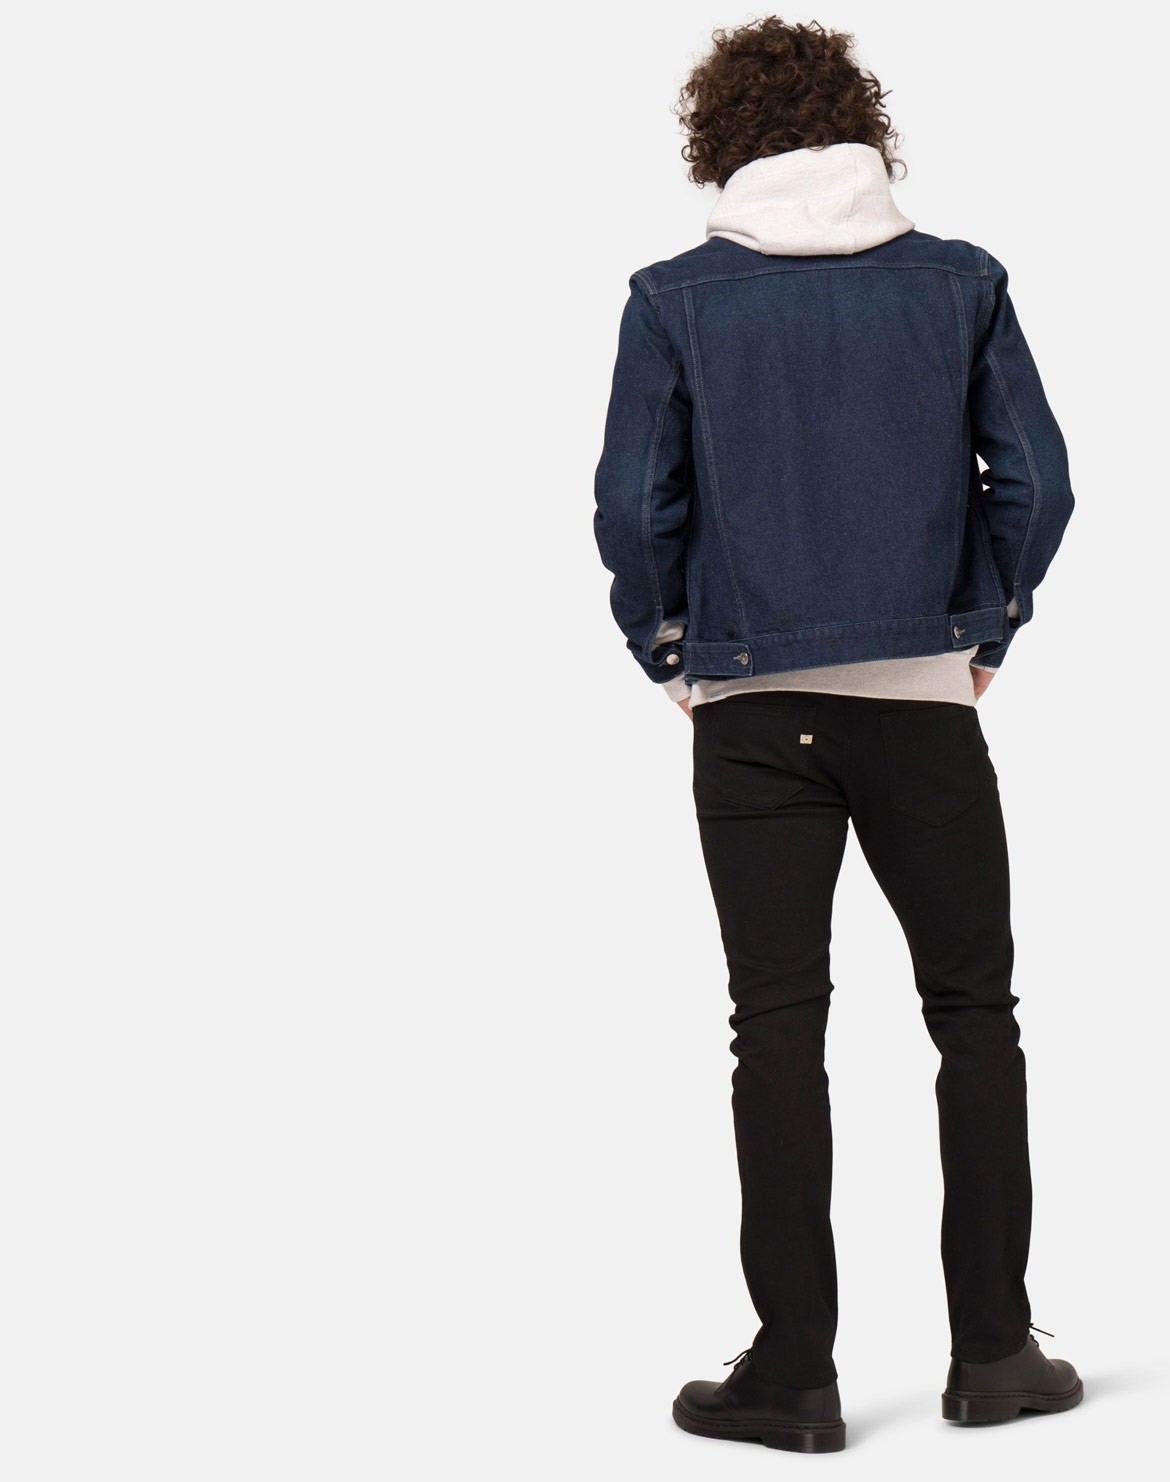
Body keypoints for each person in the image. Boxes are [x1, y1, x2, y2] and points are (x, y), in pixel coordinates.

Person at [592, 17, 1081, 1455]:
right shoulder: (958, 280)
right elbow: (1039, 481)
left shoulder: (674, 298)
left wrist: (671, 650)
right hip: (923, 707)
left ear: (719, 143)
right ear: (862, 129)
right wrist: (980, 631)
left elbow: (634, 506)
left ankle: (795, 1372)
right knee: (972, 1014)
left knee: (776, 1028)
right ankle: (994, 1351)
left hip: (751, 716)